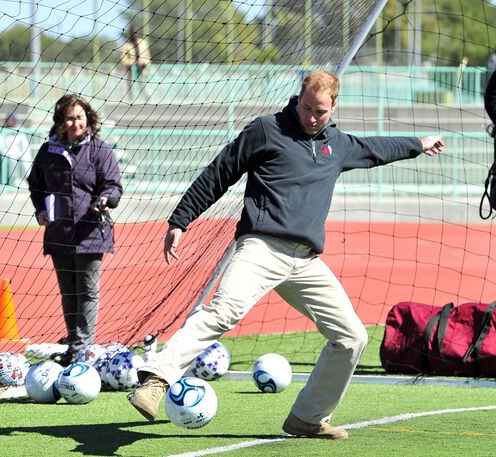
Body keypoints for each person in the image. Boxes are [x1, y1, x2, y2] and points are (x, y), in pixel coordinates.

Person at [127, 71, 445, 439]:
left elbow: (375, 149)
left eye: (320, 112)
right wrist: (181, 219)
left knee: (351, 337)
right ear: (298, 98)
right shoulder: (266, 129)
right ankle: (155, 380)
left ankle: (308, 418)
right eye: (306, 107)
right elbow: (219, 172)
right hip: (261, 247)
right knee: (223, 311)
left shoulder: (337, 144)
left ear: (333, 108)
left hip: (306, 261)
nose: (311, 117)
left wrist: (418, 143)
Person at [27, 94, 123, 367]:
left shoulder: (100, 149)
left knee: (88, 291)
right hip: (59, 234)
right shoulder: (48, 151)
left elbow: (113, 185)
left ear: (88, 119)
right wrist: (41, 209)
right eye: (70, 118)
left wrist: (106, 200)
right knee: (68, 291)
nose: (75, 123)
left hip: (90, 232)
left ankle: (83, 346)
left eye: (80, 117)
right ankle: (74, 340)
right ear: (60, 122)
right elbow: (36, 184)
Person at [119, 25, 151, 101]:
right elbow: (123, 60)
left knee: (143, 84)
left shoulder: (143, 43)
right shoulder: (127, 45)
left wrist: (144, 63)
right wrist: (134, 62)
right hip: (131, 70)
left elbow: (148, 57)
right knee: (130, 85)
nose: (135, 34)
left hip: (142, 69)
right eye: (133, 32)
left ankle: (147, 99)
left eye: (136, 32)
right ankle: (131, 100)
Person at [0, 113, 33, 185]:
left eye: (12, 120)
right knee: (12, 158)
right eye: (9, 120)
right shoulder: (3, 130)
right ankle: (14, 179)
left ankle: (31, 180)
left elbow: (25, 144)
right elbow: (1, 146)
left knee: (26, 159)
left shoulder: (19, 129)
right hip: (8, 153)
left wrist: (26, 154)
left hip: (18, 152)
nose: (10, 122)